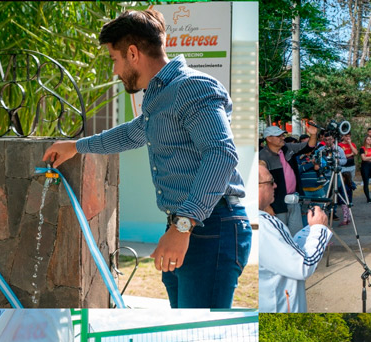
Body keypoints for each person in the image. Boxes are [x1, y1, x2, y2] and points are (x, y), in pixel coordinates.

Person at [43, 9, 251, 309]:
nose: (115, 71)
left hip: (209, 229)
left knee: (197, 335)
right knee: (183, 336)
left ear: (132, 53)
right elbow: (132, 133)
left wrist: (183, 226)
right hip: (188, 227)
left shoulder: (193, 87)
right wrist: (76, 146)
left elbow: (221, 153)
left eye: (114, 60)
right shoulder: (158, 96)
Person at [258, 162, 332, 312]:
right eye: (271, 182)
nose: (276, 186)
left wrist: (311, 230)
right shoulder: (264, 224)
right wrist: (319, 230)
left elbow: (287, 252)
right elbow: (304, 265)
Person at [260, 124, 319, 235]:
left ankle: (296, 252)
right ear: (269, 138)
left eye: (283, 135)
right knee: (280, 235)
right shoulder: (262, 156)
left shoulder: (287, 148)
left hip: (294, 198)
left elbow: (308, 147)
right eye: (279, 136)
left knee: (297, 232)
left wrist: (313, 134)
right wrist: (267, 206)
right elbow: (260, 185)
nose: (282, 138)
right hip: (277, 203)